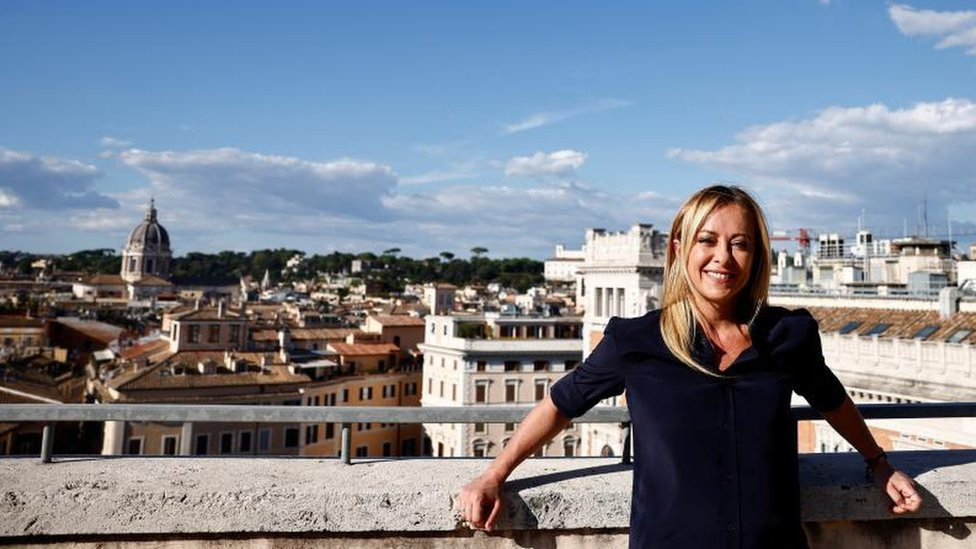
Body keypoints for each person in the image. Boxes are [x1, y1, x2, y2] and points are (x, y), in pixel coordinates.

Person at [456, 185, 922, 548]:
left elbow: (832, 401)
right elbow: (560, 405)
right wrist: (494, 475)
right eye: (708, 241)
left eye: (740, 244)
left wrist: (878, 464)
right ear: (679, 249)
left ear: (757, 256)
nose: (723, 258)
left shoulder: (788, 335)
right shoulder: (634, 340)